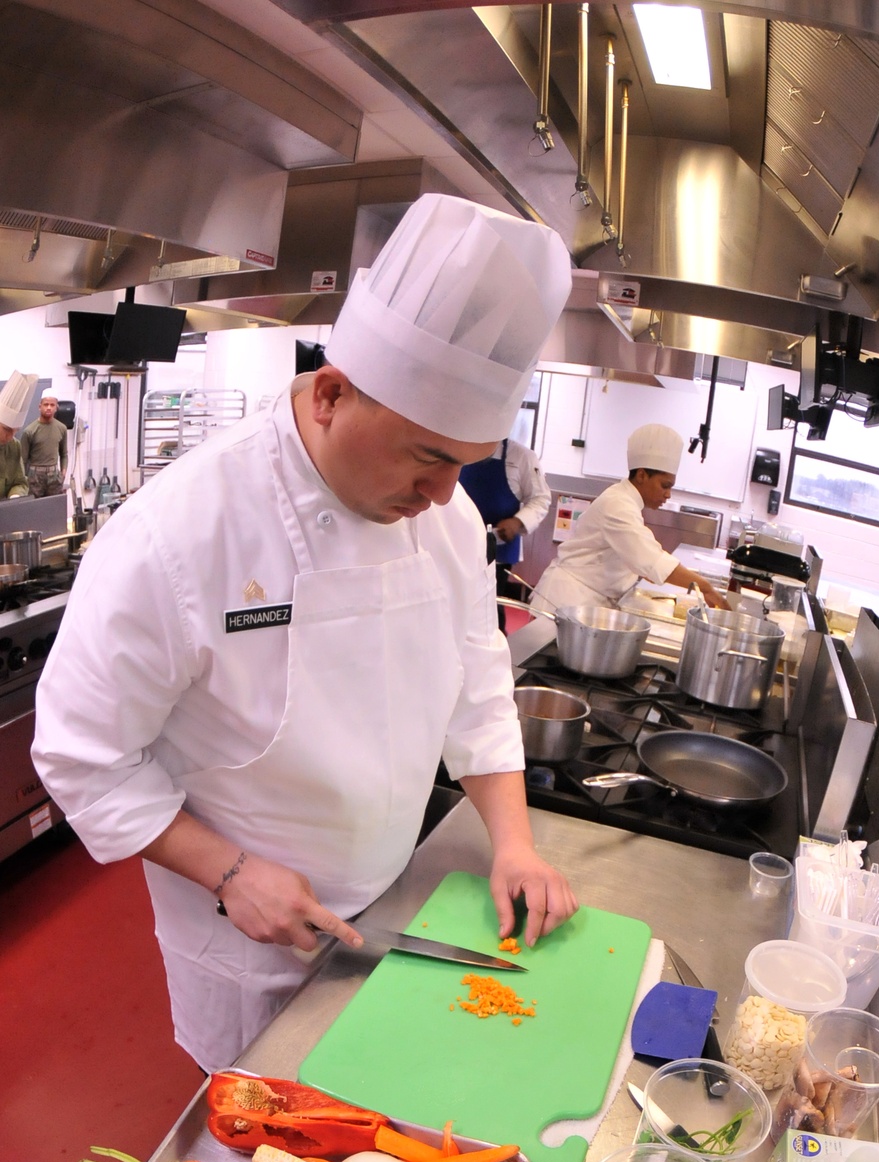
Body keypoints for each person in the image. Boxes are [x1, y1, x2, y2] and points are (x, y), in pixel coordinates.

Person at [32, 194, 579, 1073]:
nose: (444, 495)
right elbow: (80, 753)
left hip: (404, 909)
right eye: (427, 456)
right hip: (251, 943)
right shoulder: (180, 534)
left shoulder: (442, 523)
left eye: (464, 464)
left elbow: (478, 683)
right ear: (330, 394)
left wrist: (512, 842)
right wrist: (227, 871)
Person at [531, 422, 729, 613]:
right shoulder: (618, 505)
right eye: (665, 485)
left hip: (585, 602)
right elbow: (651, 560)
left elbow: (642, 561)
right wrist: (706, 588)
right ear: (642, 475)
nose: (668, 495)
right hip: (564, 601)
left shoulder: (626, 501)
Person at [458, 436, 551, 629]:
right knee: (456, 604)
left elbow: (541, 499)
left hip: (497, 547)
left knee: (489, 609)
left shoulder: (522, 457)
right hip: (457, 541)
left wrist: (517, 522)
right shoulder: (459, 445)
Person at [20, 388, 68, 497]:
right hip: (35, 477)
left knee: (54, 508)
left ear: (57, 407)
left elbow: (64, 454)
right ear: (40, 406)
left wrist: (63, 473)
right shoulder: (29, 431)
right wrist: (24, 480)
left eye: (52, 405)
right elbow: (23, 460)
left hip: (54, 476)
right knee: (34, 509)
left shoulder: (62, 428)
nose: (49, 408)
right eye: (46, 404)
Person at [0, 371, 37, 499]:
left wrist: (16, 495)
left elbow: (20, 482)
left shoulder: (14, 446)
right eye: (7, 430)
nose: (10, 437)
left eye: (16, 431)